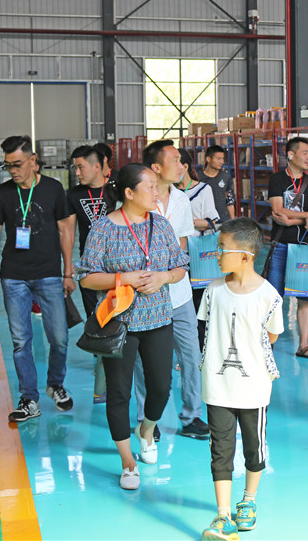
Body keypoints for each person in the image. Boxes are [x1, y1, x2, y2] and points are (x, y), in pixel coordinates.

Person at [77, 164, 189, 490]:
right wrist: (122, 278)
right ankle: (128, 462)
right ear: (129, 193)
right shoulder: (104, 228)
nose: (156, 192)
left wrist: (163, 277)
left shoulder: (161, 224)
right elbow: (86, 277)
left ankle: (146, 430)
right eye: (150, 187)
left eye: (156, 186)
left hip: (158, 319)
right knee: (119, 392)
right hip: (119, 324)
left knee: (161, 387)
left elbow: (180, 266)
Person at [198, 218, 283, 541]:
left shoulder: (269, 296)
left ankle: (248, 500)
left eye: (222, 249)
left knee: (253, 448)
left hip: (253, 388)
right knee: (220, 450)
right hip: (217, 386)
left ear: (246, 256)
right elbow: (207, 328)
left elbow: (271, 336)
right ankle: (223, 515)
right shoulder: (213, 290)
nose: (217, 254)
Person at [0, 135, 76, 423]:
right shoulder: (1, 194)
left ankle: (55, 384)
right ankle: (29, 399)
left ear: (33, 161)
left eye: (18, 164)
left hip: (49, 273)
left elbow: (64, 230)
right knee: (21, 341)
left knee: (59, 338)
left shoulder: (53, 189)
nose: (12, 170)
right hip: (14, 277)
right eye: (8, 165)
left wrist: (68, 271)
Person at [134, 140, 209, 440]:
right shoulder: (137, 199)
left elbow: (183, 243)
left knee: (191, 356)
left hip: (178, 293)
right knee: (145, 361)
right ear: (156, 167)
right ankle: (146, 421)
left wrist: (168, 271)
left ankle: (192, 416)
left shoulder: (181, 200)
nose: (182, 165)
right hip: (145, 295)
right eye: (176, 160)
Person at [67, 144, 116, 403]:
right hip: (90, 267)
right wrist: (67, 267)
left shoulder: (116, 190)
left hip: (117, 266)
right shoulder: (74, 195)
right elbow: (67, 231)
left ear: (97, 166)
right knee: (95, 318)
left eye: (80, 167)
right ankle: (102, 370)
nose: (77, 172)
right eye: (75, 167)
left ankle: (116, 365)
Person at [267, 137, 308, 360]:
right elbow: (277, 209)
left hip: (304, 247)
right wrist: (305, 217)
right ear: (291, 155)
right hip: (281, 245)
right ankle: (266, 344)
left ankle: (304, 345)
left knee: (304, 297)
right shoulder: (277, 179)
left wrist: (293, 220)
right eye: (305, 153)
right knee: (273, 297)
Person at [178, 147, 221, 352]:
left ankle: (202, 349)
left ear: (185, 166)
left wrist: (187, 222)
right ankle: (187, 350)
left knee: (200, 302)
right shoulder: (167, 192)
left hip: (198, 254)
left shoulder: (204, 190)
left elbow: (212, 222)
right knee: (181, 303)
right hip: (176, 254)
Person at [200, 145, 236, 223]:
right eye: (218, 159)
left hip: (222, 221)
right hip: (204, 223)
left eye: (222, 158)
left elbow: (229, 200)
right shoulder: (198, 178)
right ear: (208, 159)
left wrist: (233, 222)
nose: (221, 162)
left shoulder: (225, 176)